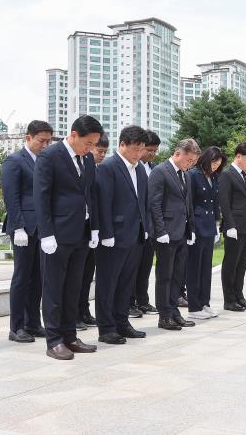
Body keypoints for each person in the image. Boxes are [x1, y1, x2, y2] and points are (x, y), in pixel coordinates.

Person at [34, 115, 102, 360]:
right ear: (74, 135)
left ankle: (70, 335)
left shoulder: (88, 160)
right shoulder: (49, 157)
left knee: (74, 287)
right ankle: (54, 340)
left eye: (94, 144)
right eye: (88, 143)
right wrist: (46, 233)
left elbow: (91, 195)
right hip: (57, 234)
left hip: (81, 233)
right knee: (54, 288)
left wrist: (94, 228)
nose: (91, 148)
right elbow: (41, 196)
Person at [95, 126, 149, 344]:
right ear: (123, 145)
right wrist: (106, 233)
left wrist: (145, 228)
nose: (138, 153)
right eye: (135, 148)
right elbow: (103, 203)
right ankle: (106, 328)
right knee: (108, 284)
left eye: (142, 149)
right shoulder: (108, 167)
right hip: (113, 236)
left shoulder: (140, 170)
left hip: (135, 235)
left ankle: (122, 322)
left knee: (126, 283)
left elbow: (142, 202)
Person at [3, 120, 53, 343]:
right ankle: (17, 326)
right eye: (41, 140)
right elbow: (11, 198)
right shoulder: (14, 161)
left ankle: (33, 322)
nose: (45, 145)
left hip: (42, 227)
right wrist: (19, 227)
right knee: (22, 277)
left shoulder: (45, 161)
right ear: (29, 138)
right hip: (23, 227)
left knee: (39, 277)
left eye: (48, 141)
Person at [148, 138, 199, 330]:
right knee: (165, 276)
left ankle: (174, 312)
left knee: (178, 276)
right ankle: (164, 315)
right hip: (166, 234)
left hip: (181, 232)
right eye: (189, 160)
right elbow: (154, 204)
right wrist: (160, 231)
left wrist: (191, 229)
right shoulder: (160, 171)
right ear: (178, 154)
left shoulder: (185, 175)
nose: (191, 164)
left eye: (193, 162)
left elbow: (188, 204)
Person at [186, 146, 225, 320]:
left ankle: (204, 302)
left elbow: (215, 202)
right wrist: (191, 227)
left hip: (209, 226)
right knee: (194, 267)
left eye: (218, 164)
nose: (215, 166)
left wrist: (217, 222)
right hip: (197, 226)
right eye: (214, 163)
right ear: (206, 159)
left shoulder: (214, 177)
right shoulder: (194, 175)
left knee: (206, 268)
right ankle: (194, 306)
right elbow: (190, 203)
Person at [218, 142, 246, 312]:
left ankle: (239, 296)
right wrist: (230, 225)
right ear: (238, 156)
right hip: (234, 227)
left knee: (241, 264)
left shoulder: (244, 175)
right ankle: (229, 300)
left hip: (244, 227)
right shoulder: (227, 174)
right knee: (231, 263)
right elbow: (224, 202)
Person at [76, 132, 109, 329]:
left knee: (88, 274)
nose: (102, 154)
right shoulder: (85, 166)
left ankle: (84, 310)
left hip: (94, 229)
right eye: (99, 150)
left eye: (105, 151)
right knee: (77, 276)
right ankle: (74, 314)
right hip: (80, 226)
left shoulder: (101, 169)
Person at [129, 129, 160, 318]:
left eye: (155, 150)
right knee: (132, 267)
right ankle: (129, 302)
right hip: (135, 225)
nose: (152, 154)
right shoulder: (134, 167)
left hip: (150, 226)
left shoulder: (153, 168)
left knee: (146, 265)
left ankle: (143, 300)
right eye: (149, 150)